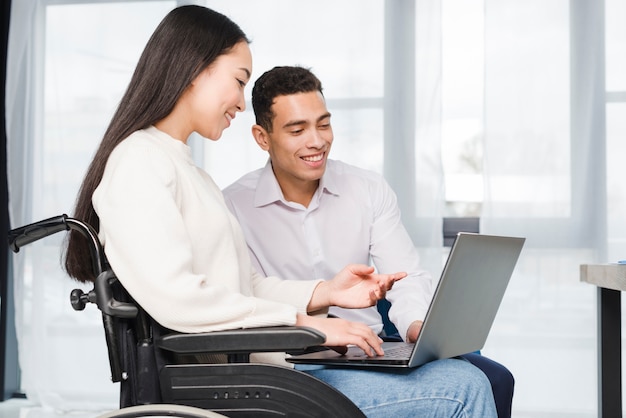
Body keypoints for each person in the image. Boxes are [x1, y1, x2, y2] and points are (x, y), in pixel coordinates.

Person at [64, 6, 497, 417]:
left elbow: (242, 285)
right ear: (194, 72)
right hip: (240, 380)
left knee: (465, 375)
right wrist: (310, 325)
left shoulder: (183, 168)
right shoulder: (140, 162)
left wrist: (325, 294)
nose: (238, 99)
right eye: (237, 80)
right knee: (464, 388)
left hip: (258, 368)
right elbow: (180, 298)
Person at [223, 65, 513, 417]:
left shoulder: (366, 189)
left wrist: (416, 326)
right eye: (297, 129)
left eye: (324, 124)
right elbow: (245, 296)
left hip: (372, 354)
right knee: (466, 385)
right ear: (262, 137)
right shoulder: (233, 206)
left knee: (492, 376)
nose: (316, 141)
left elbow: (407, 276)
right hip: (291, 365)